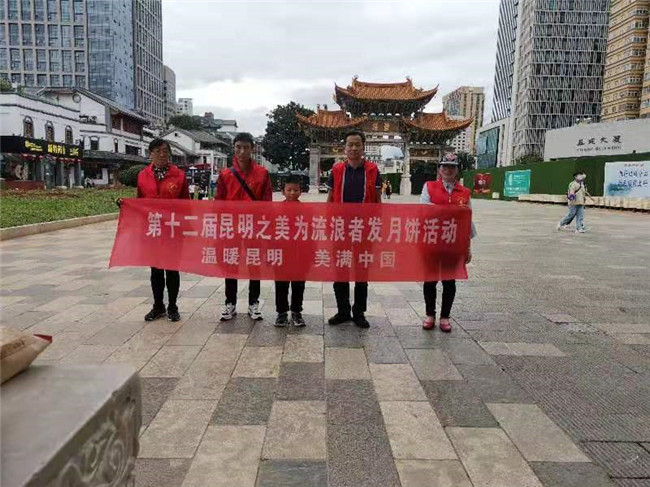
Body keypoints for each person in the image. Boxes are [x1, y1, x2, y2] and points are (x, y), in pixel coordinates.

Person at [327, 130, 382, 329]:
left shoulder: (373, 170)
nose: (353, 148)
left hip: (364, 228)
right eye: (350, 144)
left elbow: (377, 200)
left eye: (357, 144)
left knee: (361, 272)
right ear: (345, 148)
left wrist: (377, 225)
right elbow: (330, 198)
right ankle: (343, 311)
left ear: (363, 147)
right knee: (340, 270)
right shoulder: (336, 170)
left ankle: (359, 312)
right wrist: (328, 223)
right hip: (340, 227)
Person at [215, 132, 272, 321]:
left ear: (252, 149)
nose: (241, 151)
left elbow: (267, 202)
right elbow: (219, 202)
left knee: (254, 264)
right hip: (231, 227)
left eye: (246, 147)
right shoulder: (225, 174)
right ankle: (230, 303)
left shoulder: (262, 173)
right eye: (238, 147)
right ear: (234, 148)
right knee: (230, 264)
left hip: (253, 227)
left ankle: (253, 303)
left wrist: (265, 226)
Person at [420, 153, 475, 333]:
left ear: (457, 170)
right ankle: (430, 314)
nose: (448, 170)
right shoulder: (429, 187)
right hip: (432, 241)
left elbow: (467, 220)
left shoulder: (464, 193)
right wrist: (450, 211)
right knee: (430, 280)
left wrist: (467, 247)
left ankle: (445, 317)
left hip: (453, 243)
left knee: (449, 281)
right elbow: (424, 211)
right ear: (439, 169)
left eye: (452, 167)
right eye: (444, 166)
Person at [137, 138, 190, 322]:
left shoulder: (179, 175)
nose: (162, 154)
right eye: (158, 151)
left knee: (172, 270)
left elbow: (186, 203)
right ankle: (158, 306)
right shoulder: (143, 175)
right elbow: (140, 202)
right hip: (153, 230)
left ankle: (173, 306)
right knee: (156, 271)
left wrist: (186, 227)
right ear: (150, 153)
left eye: (165, 151)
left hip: (173, 229)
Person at [274, 175, 306, 327]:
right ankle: (281, 313)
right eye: (289, 190)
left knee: (298, 284)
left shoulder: (305, 210)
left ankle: (296, 312)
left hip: (300, 254)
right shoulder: (276, 210)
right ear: (283, 191)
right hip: (281, 253)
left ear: (300, 192)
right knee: (281, 284)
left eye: (296, 190)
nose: (292, 193)